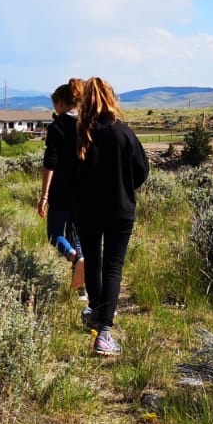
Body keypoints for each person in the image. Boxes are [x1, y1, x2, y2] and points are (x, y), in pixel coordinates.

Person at [71, 77, 149, 358]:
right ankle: (104, 333)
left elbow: (69, 176)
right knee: (113, 267)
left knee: (93, 262)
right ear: (111, 99)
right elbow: (142, 170)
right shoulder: (124, 133)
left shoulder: (80, 134)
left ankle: (95, 313)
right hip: (119, 209)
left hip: (86, 210)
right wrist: (124, 188)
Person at [38, 79, 85, 296]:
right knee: (77, 235)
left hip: (61, 190)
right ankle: (84, 287)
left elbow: (50, 163)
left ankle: (74, 258)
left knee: (55, 234)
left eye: (54, 104)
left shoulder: (56, 128)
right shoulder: (86, 125)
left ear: (61, 102)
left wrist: (44, 195)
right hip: (83, 190)